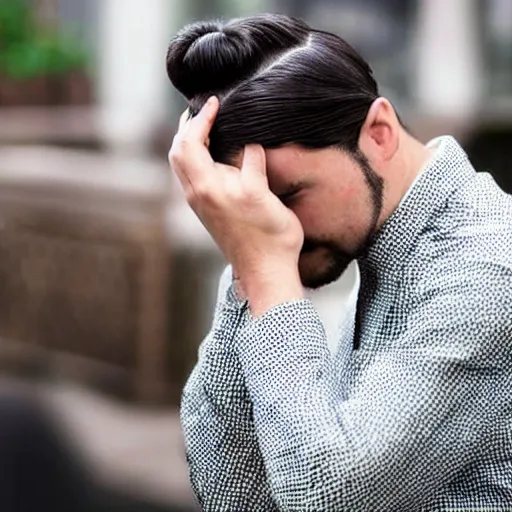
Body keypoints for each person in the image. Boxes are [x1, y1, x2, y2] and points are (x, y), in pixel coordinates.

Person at [166, 13, 512, 511]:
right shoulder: (385, 247)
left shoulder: (487, 270)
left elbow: (328, 497)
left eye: (287, 195)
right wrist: (248, 264)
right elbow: (234, 495)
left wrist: (266, 274)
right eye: (250, 204)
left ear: (379, 132)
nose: (277, 226)